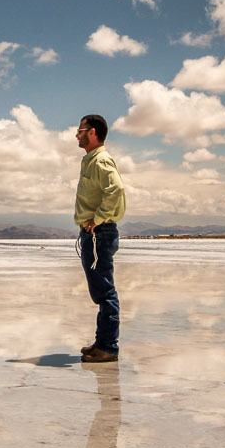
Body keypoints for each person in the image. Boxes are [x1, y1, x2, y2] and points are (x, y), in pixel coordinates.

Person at [74, 114, 126, 363]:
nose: (77, 134)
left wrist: (98, 219)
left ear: (92, 132)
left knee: (105, 292)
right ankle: (102, 342)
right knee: (100, 291)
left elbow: (116, 190)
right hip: (96, 233)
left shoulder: (101, 161)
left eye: (80, 129)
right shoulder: (92, 160)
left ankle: (108, 347)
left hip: (98, 233)